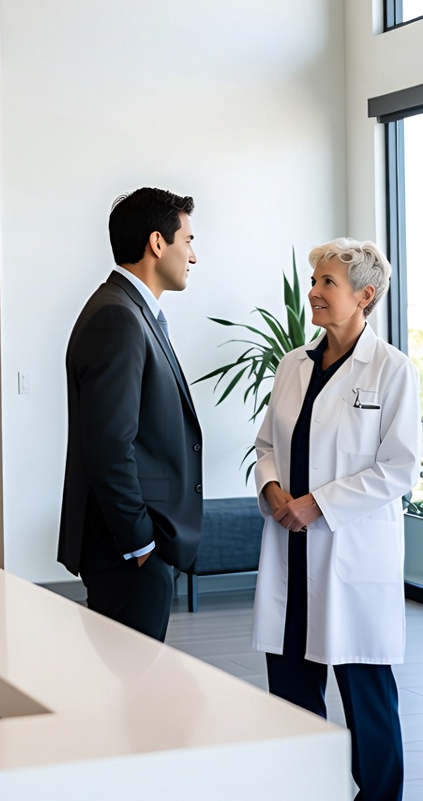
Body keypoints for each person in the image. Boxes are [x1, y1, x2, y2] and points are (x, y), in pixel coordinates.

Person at [252, 239, 421, 801]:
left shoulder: (392, 369)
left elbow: (399, 468)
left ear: (364, 296)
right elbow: (266, 444)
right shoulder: (293, 364)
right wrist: (274, 488)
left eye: (328, 282)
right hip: (290, 553)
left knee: (368, 705)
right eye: (315, 280)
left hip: (350, 558)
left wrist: (316, 504)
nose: (314, 292)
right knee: (292, 704)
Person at [58, 187, 203, 641]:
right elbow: (109, 446)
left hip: (136, 547)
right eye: (188, 241)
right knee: (132, 695)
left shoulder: (131, 310)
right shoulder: (118, 317)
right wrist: (141, 545)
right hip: (128, 551)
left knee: (131, 691)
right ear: (157, 244)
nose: (193, 257)